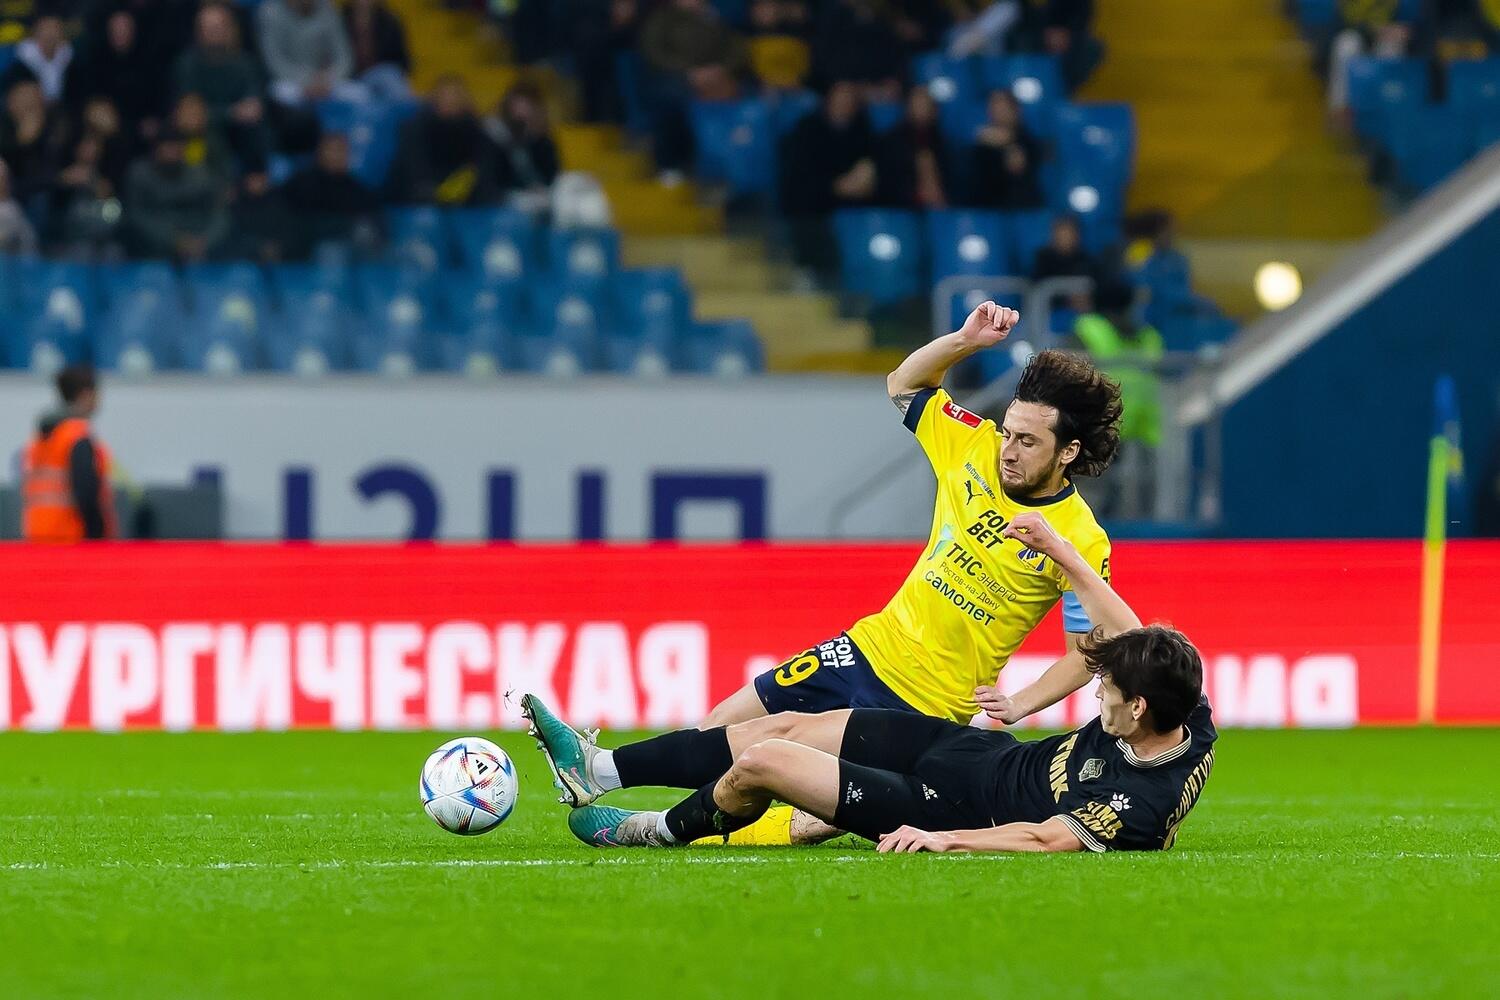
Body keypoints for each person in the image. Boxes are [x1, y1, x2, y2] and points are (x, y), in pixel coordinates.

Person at [522, 509, 1216, 853]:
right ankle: (598, 769)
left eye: (1107, 694)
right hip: (970, 751)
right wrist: (1063, 551)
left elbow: (1045, 839)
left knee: (765, 762)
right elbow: (1131, 633)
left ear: (1140, 709)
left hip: (949, 806)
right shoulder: (1182, 700)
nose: (1095, 695)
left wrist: (945, 840)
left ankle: (653, 831)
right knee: (780, 725)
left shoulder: (1139, 803)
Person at [21, 364, 118, 543]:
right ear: (86, 394)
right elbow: (86, 494)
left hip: (38, 536)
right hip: (71, 539)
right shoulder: (76, 437)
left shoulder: (40, 440)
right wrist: (97, 536)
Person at [124, 129, 232, 261]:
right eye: (168, 147)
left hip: (199, 242)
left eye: (177, 146)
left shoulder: (202, 175)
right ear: (155, 150)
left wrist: (205, 241)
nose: (172, 152)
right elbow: (137, 214)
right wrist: (172, 240)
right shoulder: (140, 174)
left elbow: (219, 214)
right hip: (152, 246)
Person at [388, 75, 497, 205]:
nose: (449, 102)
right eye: (445, 97)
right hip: (420, 197)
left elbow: (482, 167)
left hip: (466, 200)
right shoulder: (415, 130)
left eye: (454, 98)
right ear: (434, 100)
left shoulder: (476, 132)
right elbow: (413, 169)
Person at [279, 130, 378, 254]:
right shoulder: (299, 184)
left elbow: (372, 223)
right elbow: (293, 222)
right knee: (331, 251)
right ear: (319, 153)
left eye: (341, 150)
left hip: (352, 249)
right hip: (306, 249)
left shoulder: (359, 190)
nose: (336, 155)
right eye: (331, 150)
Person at [257, 0, 358, 105]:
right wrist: (306, 80)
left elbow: (344, 57)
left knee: (358, 94)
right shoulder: (271, 12)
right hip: (292, 82)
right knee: (279, 93)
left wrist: (328, 78)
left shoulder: (328, 8)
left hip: (327, 81)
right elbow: (275, 61)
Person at [875, 84, 950, 209]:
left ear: (934, 110)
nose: (921, 108)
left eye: (925, 104)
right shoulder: (891, 142)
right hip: (902, 209)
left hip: (939, 209)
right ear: (908, 107)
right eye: (917, 103)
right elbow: (887, 183)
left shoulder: (944, 143)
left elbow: (953, 183)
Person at [971, 88, 1043, 209]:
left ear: (1016, 110)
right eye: (994, 107)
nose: (998, 112)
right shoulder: (981, 145)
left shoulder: (1027, 142)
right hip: (987, 207)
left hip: (1021, 206)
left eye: (1003, 107)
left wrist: (1008, 144)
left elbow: (1017, 166)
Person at [341, 0, 412, 101]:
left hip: (381, 75)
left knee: (391, 81)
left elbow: (403, 61)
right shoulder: (338, 19)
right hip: (348, 79)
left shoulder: (389, 21)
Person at [11, 15, 74, 105]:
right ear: (35, 32)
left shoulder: (68, 55)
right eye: (46, 29)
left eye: (55, 29)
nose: (51, 34)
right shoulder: (20, 57)